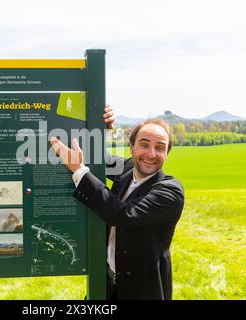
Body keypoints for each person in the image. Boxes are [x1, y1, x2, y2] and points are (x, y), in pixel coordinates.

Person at [50, 105, 184, 300]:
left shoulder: (170, 191)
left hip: (142, 292)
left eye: (160, 147)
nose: (151, 154)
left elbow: (122, 214)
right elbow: (97, 158)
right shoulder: (128, 168)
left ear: (167, 154)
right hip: (106, 285)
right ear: (132, 147)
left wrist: (79, 170)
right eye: (144, 144)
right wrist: (101, 128)